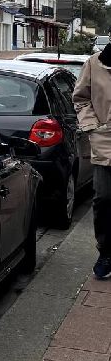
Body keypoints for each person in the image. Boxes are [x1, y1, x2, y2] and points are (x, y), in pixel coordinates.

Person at [74, 41, 111, 280]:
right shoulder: (95, 63)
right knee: (104, 199)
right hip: (106, 143)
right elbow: (81, 98)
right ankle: (106, 252)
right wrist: (92, 126)